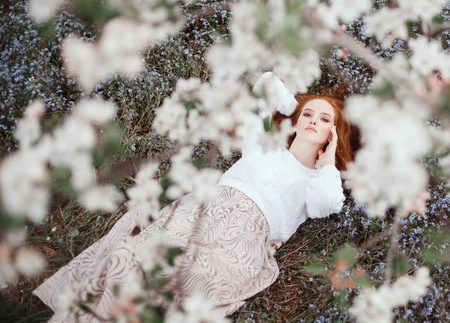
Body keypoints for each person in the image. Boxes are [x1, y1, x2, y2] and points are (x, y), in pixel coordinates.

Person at [33, 72, 357, 321]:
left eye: (325, 119)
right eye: (308, 114)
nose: (314, 121)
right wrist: (286, 103)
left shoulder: (317, 179)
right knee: (143, 256)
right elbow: (264, 85)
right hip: (204, 208)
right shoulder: (264, 145)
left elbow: (327, 204)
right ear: (296, 120)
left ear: (334, 132)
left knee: (189, 283)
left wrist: (328, 158)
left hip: (244, 238)